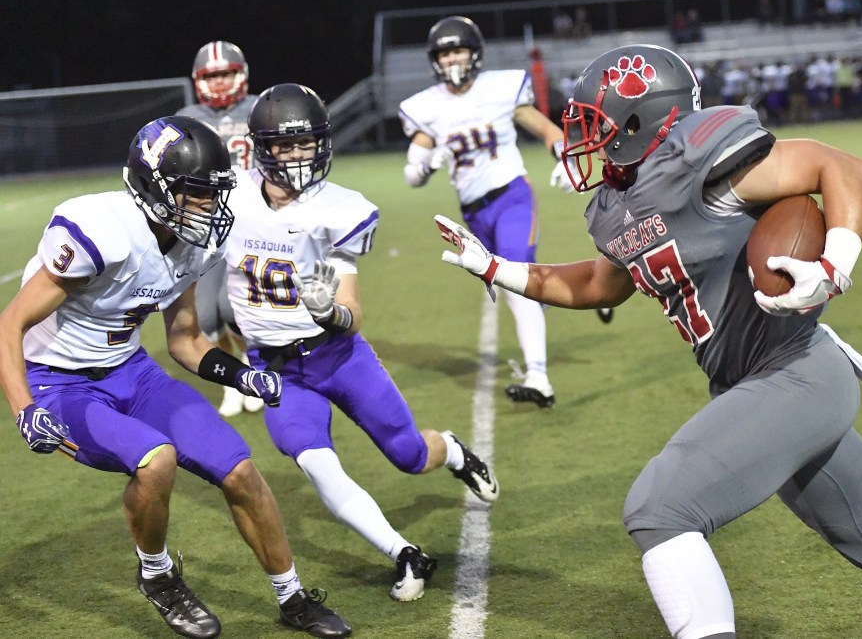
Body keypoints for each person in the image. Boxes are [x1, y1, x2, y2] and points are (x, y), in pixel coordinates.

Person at [434, 44, 862, 639]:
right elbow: (597, 282)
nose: (589, 139)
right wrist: (496, 269)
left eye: (599, 123)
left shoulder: (703, 159)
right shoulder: (618, 204)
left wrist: (834, 263)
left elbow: (841, 169)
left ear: (642, 117)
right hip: (750, 387)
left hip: (797, 372)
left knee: (659, 509)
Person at [0, 115, 350, 639]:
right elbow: (10, 322)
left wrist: (241, 376)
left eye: (214, 193)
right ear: (153, 188)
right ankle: (158, 576)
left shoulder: (196, 242)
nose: (210, 206)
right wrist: (26, 408)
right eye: (195, 193)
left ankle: (292, 596)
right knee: (155, 461)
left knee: (239, 470)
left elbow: (184, 339)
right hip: (59, 381)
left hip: (131, 371)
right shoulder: (100, 230)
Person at [222, 83, 499, 602]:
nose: (301, 155)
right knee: (317, 463)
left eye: (309, 143)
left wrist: (331, 312)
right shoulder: (232, 199)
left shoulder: (338, 208)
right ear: (263, 148)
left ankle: (455, 452)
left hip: (336, 355)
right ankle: (404, 553)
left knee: (410, 455)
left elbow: (351, 316)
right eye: (288, 145)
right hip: (275, 368)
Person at [399, 15, 574, 408]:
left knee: (515, 272)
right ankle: (580, 295)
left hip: (512, 194)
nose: (452, 59)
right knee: (519, 284)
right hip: (473, 214)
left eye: (458, 49)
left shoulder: (500, 89)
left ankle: (539, 378)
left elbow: (549, 132)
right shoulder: (427, 106)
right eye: (444, 52)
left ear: (474, 53)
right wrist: (428, 163)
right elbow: (412, 174)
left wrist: (564, 160)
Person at [176, 40, 262, 417]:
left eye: (226, 72)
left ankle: (253, 369)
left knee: (233, 309)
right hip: (203, 229)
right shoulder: (187, 116)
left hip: (250, 224)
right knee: (206, 318)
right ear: (198, 80)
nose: (221, 81)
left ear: (241, 73)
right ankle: (234, 377)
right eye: (213, 75)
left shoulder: (261, 107)